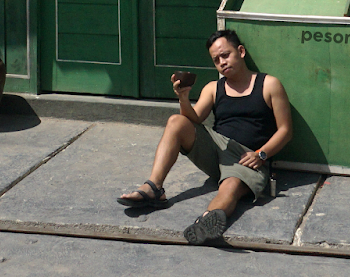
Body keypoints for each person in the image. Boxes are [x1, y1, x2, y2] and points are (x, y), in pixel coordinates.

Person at [117, 29, 293, 246]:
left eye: (226, 55)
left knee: (230, 187)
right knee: (176, 121)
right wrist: (183, 98)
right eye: (216, 60)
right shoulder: (213, 88)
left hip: (247, 157)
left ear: (241, 51)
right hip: (217, 149)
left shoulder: (269, 85)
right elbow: (194, 119)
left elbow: (285, 130)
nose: (222, 62)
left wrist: (261, 154)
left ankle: (206, 222)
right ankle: (154, 188)